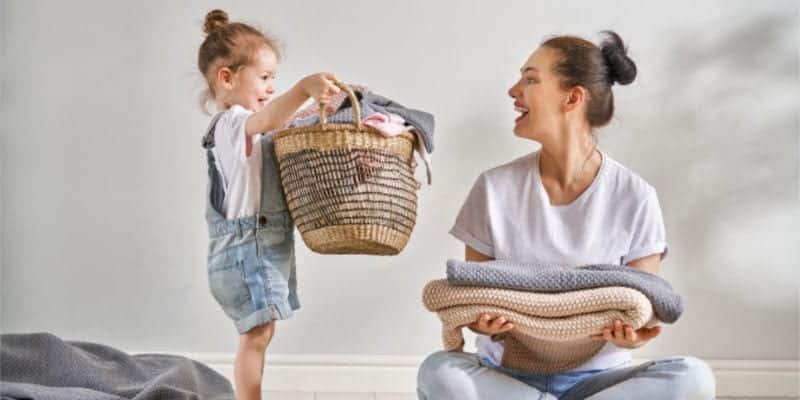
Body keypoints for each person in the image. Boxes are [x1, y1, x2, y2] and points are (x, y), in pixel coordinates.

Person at [417, 31, 716, 399]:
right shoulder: (493, 188)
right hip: (508, 379)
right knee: (439, 371)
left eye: (530, 79)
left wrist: (634, 337)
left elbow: (641, 305)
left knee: (692, 378)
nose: (514, 91)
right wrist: (482, 323)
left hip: (599, 382)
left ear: (572, 97)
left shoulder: (634, 196)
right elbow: (475, 296)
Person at [197, 9, 339, 400]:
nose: (272, 87)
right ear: (227, 78)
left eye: (274, 78)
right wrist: (303, 88)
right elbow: (271, 117)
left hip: (262, 246)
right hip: (246, 250)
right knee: (255, 335)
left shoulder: (251, 126)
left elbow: (278, 125)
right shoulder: (230, 124)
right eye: (264, 77)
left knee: (261, 333)